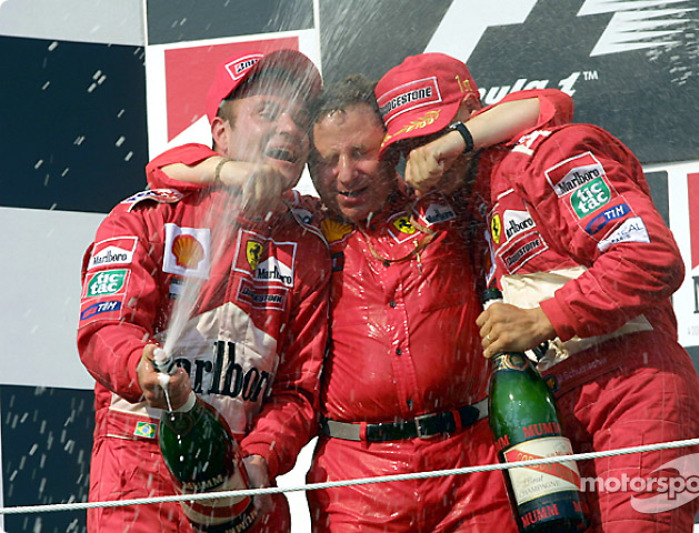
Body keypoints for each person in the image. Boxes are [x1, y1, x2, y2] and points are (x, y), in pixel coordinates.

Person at [145, 72, 573, 531]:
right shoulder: (300, 228)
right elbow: (165, 168)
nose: (345, 174)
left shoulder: (442, 199)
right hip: (356, 481)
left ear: (391, 149)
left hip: (472, 464)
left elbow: (550, 105)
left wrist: (451, 142)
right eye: (328, 159)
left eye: (362, 153)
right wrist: (228, 169)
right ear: (309, 167)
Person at [377, 52, 699, 532]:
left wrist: (543, 319)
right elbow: (544, 101)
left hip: (632, 391)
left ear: (471, 112)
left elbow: (648, 256)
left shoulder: (549, 154)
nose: (429, 156)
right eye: (411, 145)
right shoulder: (462, 207)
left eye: (436, 134)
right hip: (547, 419)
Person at [77, 49, 330, 533]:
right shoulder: (148, 215)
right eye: (267, 113)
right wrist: (139, 367)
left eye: (301, 119)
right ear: (221, 134)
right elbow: (103, 330)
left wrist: (259, 461)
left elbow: (298, 391)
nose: (290, 130)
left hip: (242, 487)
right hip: (139, 480)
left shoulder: (310, 242)